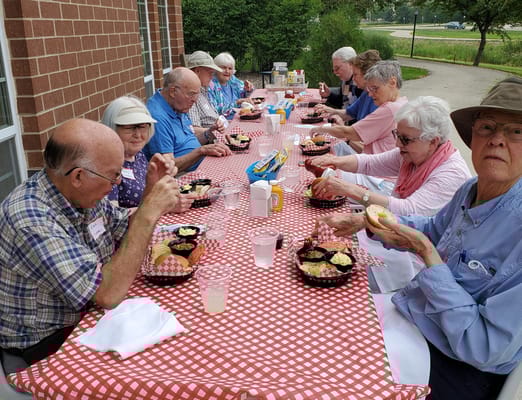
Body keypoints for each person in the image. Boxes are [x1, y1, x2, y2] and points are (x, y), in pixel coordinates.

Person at [321, 77, 522, 400]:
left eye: (516, 131)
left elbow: (484, 347)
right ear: (473, 136)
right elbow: (430, 227)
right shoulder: (471, 189)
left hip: (456, 366)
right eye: (487, 127)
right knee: (326, 322)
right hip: (416, 314)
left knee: (333, 375)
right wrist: (368, 221)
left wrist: (429, 257)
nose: (498, 140)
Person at [0, 119, 181, 373]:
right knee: (163, 368)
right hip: (47, 346)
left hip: (90, 320)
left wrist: (150, 193)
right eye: (114, 175)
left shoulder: (79, 194)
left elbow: (126, 233)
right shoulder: (30, 218)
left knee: (178, 336)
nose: (118, 182)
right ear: (78, 176)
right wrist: (149, 212)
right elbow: (107, 294)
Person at [310, 96, 472, 215]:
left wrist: (351, 190)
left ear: (433, 142)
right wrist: (334, 160)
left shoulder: (450, 174)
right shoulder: (415, 154)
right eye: (397, 135)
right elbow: (369, 163)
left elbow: (408, 211)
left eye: (405, 139)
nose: (398, 144)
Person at [311, 60, 408, 194]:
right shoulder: (401, 102)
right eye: (369, 89)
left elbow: (350, 133)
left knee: (324, 177)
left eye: (375, 88)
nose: (370, 94)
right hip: (375, 171)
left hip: (380, 181)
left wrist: (318, 129)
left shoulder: (390, 109)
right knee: (332, 155)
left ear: (392, 82)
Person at [102, 95, 195, 210]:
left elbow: (150, 195)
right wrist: (163, 207)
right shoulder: (107, 167)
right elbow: (113, 218)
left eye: (142, 127)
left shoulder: (138, 155)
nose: (138, 135)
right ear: (112, 128)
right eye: (129, 128)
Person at [144, 67, 231, 173]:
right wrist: (201, 151)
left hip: (203, 164)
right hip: (186, 177)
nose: (195, 100)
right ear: (173, 91)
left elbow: (186, 142)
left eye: (196, 94)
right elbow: (166, 168)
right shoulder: (158, 117)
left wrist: (209, 133)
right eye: (191, 94)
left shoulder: (177, 105)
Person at [316, 49, 381, 155]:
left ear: (368, 76)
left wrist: (345, 133)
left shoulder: (379, 103)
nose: (353, 80)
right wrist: (330, 111)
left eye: (355, 75)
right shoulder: (366, 94)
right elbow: (349, 113)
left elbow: (369, 152)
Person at [186, 51, 226, 138]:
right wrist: (213, 130)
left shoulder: (203, 89)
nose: (212, 77)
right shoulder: (190, 95)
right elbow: (193, 129)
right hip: (208, 142)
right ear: (197, 71)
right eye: (210, 73)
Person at [208, 52, 254, 119]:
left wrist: (248, 90)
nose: (227, 71)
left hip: (241, 117)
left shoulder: (232, 80)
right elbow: (216, 110)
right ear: (216, 69)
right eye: (223, 68)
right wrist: (237, 102)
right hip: (224, 123)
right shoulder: (211, 85)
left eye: (230, 68)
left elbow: (246, 96)